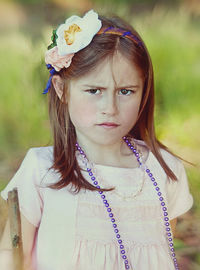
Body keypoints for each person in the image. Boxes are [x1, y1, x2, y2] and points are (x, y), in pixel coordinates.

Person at [0, 9, 193, 270]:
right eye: (94, 90)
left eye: (125, 91)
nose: (110, 108)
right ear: (61, 89)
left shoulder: (163, 171)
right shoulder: (43, 170)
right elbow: (13, 256)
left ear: (143, 90)